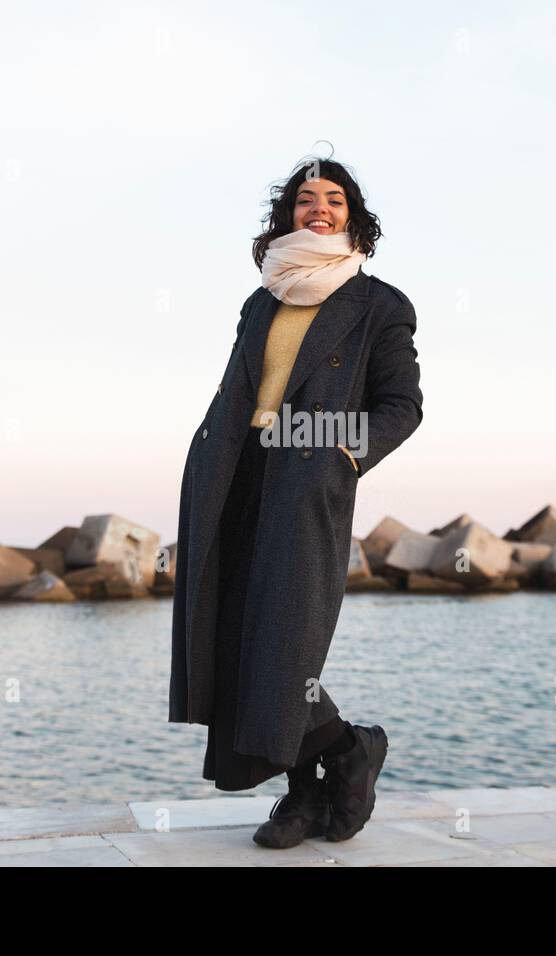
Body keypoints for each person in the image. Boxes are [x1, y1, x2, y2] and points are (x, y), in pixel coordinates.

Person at [169, 155, 424, 849]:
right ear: (287, 214)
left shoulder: (379, 305)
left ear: (352, 215)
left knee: (284, 643)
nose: (320, 208)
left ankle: (342, 751)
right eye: (306, 198)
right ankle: (308, 791)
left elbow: (403, 407)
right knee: (232, 632)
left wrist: (345, 452)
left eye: (334, 199)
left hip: (308, 474)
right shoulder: (263, 299)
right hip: (234, 471)